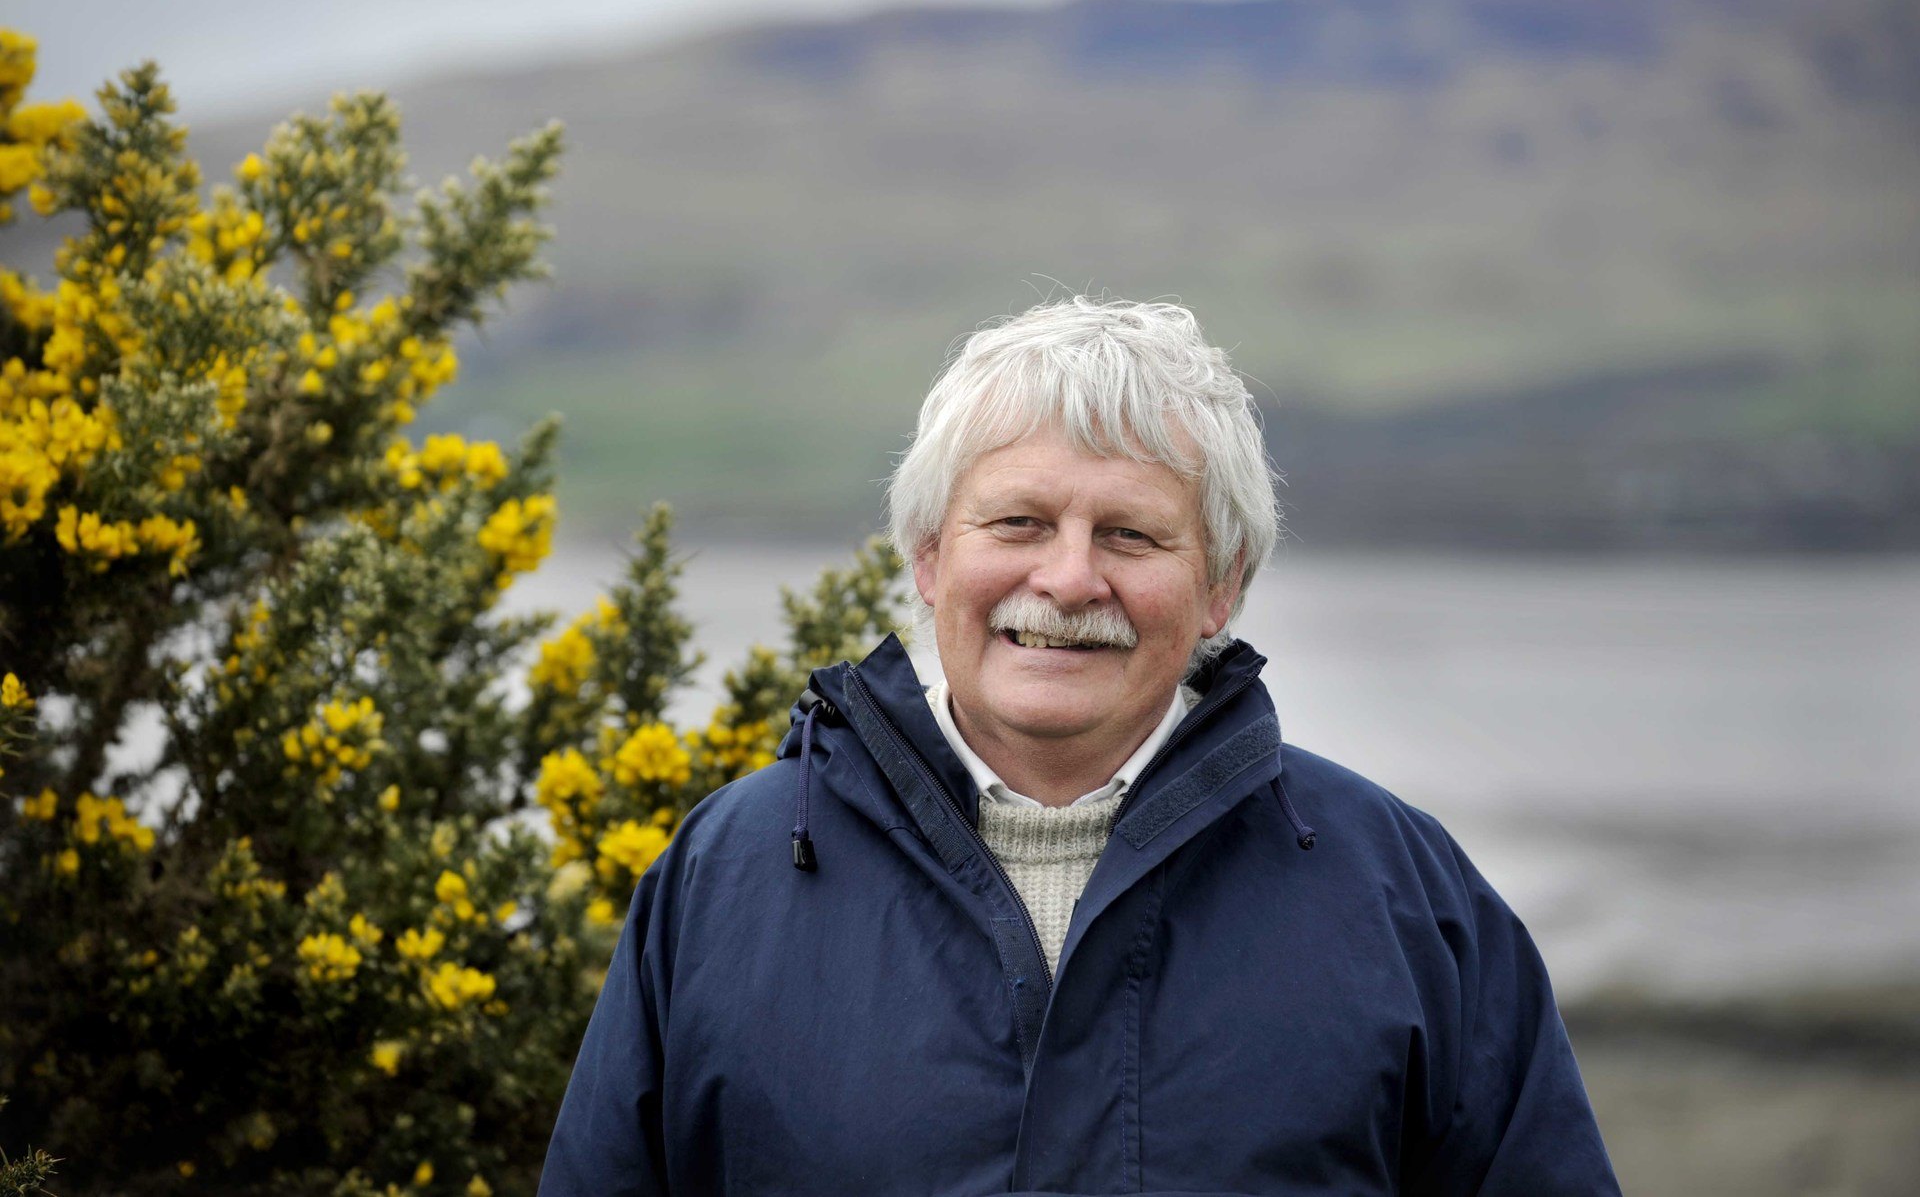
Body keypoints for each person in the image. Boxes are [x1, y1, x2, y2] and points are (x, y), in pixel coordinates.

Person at [538, 297, 1620, 1195]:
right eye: (1016, 524)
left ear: (1221, 586)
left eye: (1131, 535)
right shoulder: (729, 875)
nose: (1066, 580)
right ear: (926, 559)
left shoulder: (1401, 893)